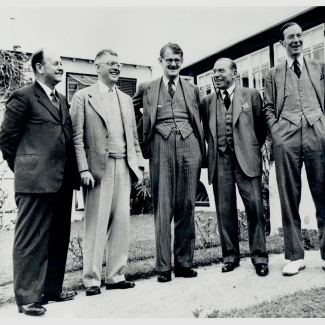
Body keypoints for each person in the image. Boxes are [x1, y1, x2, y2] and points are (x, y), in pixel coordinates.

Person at [0, 48, 79, 316]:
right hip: (34, 182)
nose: (61, 67)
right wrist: (25, 167)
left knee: (58, 238)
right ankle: (27, 298)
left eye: (61, 63)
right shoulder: (22, 97)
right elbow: (7, 141)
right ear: (38, 68)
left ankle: (51, 291)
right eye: (55, 63)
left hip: (61, 181)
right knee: (31, 241)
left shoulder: (62, 100)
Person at [70, 49, 144, 296]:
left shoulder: (125, 98)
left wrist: (138, 165)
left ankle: (115, 275)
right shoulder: (83, 97)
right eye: (111, 63)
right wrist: (83, 168)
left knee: (122, 223)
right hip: (97, 171)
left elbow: (133, 137)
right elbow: (76, 138)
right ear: (97, 66)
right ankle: (91, 280)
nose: (116, 67)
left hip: (124, 166)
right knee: (96, 225)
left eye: (118, 64)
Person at [133, 43, 206, 283]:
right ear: (160, 61)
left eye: (177, 60)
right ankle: (163, 268)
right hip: (160, 146)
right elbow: (131, 110)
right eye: (169, 60)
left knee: (187, 204)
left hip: (189, 145)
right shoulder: (147, 88)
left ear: (181, 61)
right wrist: (144, 132)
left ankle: (184, 264)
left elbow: (200, 118)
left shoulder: (193, 89)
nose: (173, 64)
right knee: (163, 207)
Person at [264, 22, 325, 276]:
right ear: (282, 43)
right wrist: (276, 133)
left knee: (324, 193)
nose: (297, 40)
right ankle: (295, 256)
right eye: (291, 37)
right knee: (289, 196)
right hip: (285, 136)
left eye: (300, 35)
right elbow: (267, 108)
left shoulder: (320, 68)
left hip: (317, 132)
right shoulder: (272, 74)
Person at [200, 58, 268, 276]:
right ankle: (230, 257)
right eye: (214, 71)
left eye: (221, 70)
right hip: (220, 161)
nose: (216, 74)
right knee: (224, 211)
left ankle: (259, 257)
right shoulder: (208, 101)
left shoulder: (251, 95)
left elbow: (261, 128)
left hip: (247, 159)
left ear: (234, 73)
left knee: (255, 209)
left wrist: (248, 147)